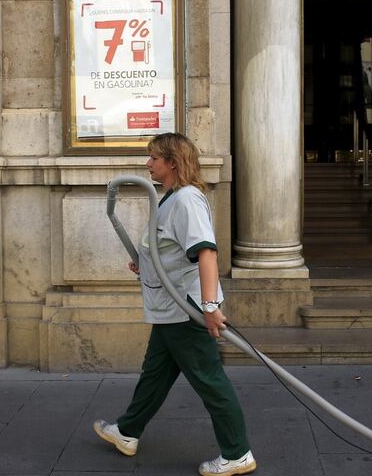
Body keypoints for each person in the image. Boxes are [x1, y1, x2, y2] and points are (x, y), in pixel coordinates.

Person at [93, 132, 257, 476]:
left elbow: (206, 253)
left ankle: (238, 453)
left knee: (210, 381)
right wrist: (147, 261)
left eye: (153, 158)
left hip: (186, 310)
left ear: (172, 162)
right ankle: (127, 431)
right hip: (170, 308)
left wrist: (210, 306)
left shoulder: (187, 200)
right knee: (155, 375)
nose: (147, 164)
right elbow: (170, 247)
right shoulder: (171, 198)